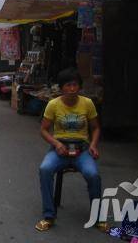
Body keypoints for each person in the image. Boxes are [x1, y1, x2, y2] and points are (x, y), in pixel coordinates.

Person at [35, 67, 104, 232]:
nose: (72, 89)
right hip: (59, 149)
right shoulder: (53, 105)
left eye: (75, 85)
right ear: (61, 87)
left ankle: (98, 217)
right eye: (68, 85)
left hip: (82, 149)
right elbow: (43, 130)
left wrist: (93, 145)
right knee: (45, 169)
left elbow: (96, 128)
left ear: (79, 87)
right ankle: (49, 215)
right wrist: (57, 144)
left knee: (93, 174)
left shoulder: (87, 103)